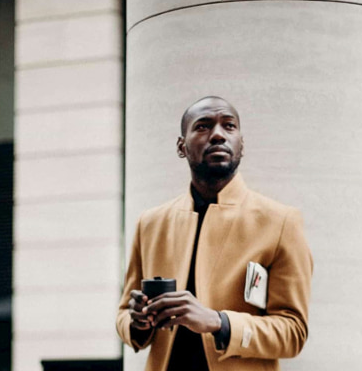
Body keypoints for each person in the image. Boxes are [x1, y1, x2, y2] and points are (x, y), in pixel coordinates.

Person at [115, 96, 314, 371]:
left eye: (229, 126)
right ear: (181, 146)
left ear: (241, 144)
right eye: (203, 126)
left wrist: (219, 322)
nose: (218, 134)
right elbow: (124, 313)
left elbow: (293, 332)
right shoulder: (151, 223)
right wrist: (137, 323)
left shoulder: (280, 222)